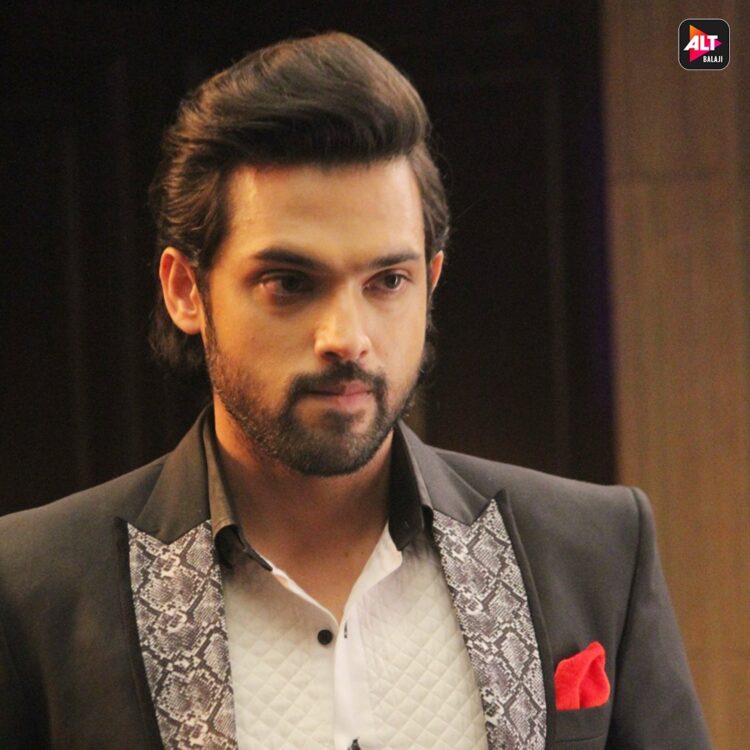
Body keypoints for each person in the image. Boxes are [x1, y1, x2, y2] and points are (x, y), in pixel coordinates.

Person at [0, 32, 710, 750]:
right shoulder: (32, 588)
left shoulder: (595, 551)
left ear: (430, 283)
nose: (347, 337)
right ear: (187, 290)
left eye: (387, 281)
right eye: (289, 283)